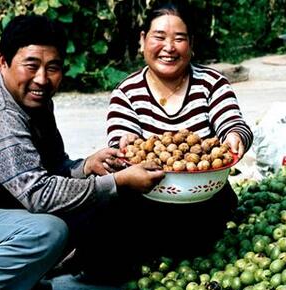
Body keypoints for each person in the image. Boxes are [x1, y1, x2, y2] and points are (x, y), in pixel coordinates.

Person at [0, 14, 165, 290]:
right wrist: (117, 182)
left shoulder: (35, 101)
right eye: (31, 66)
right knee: (47, 230)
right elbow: (39, 195)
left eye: (53, 68)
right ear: (3, 63)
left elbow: (51, 168)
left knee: (94, 204)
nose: (42, 79)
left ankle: (13, 287)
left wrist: (87, 165)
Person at [105, 1, 253, 260]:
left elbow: (233, 122)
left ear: (191, 44)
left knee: (202, 249)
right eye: (159, 37)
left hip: (206, 201)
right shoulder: (126, 92)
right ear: (143, 40)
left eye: (179, 39)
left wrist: (234, 136)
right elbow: (122, 136)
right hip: (147, 203)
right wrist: (124, 143)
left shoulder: (212, 84)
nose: (169, 48)